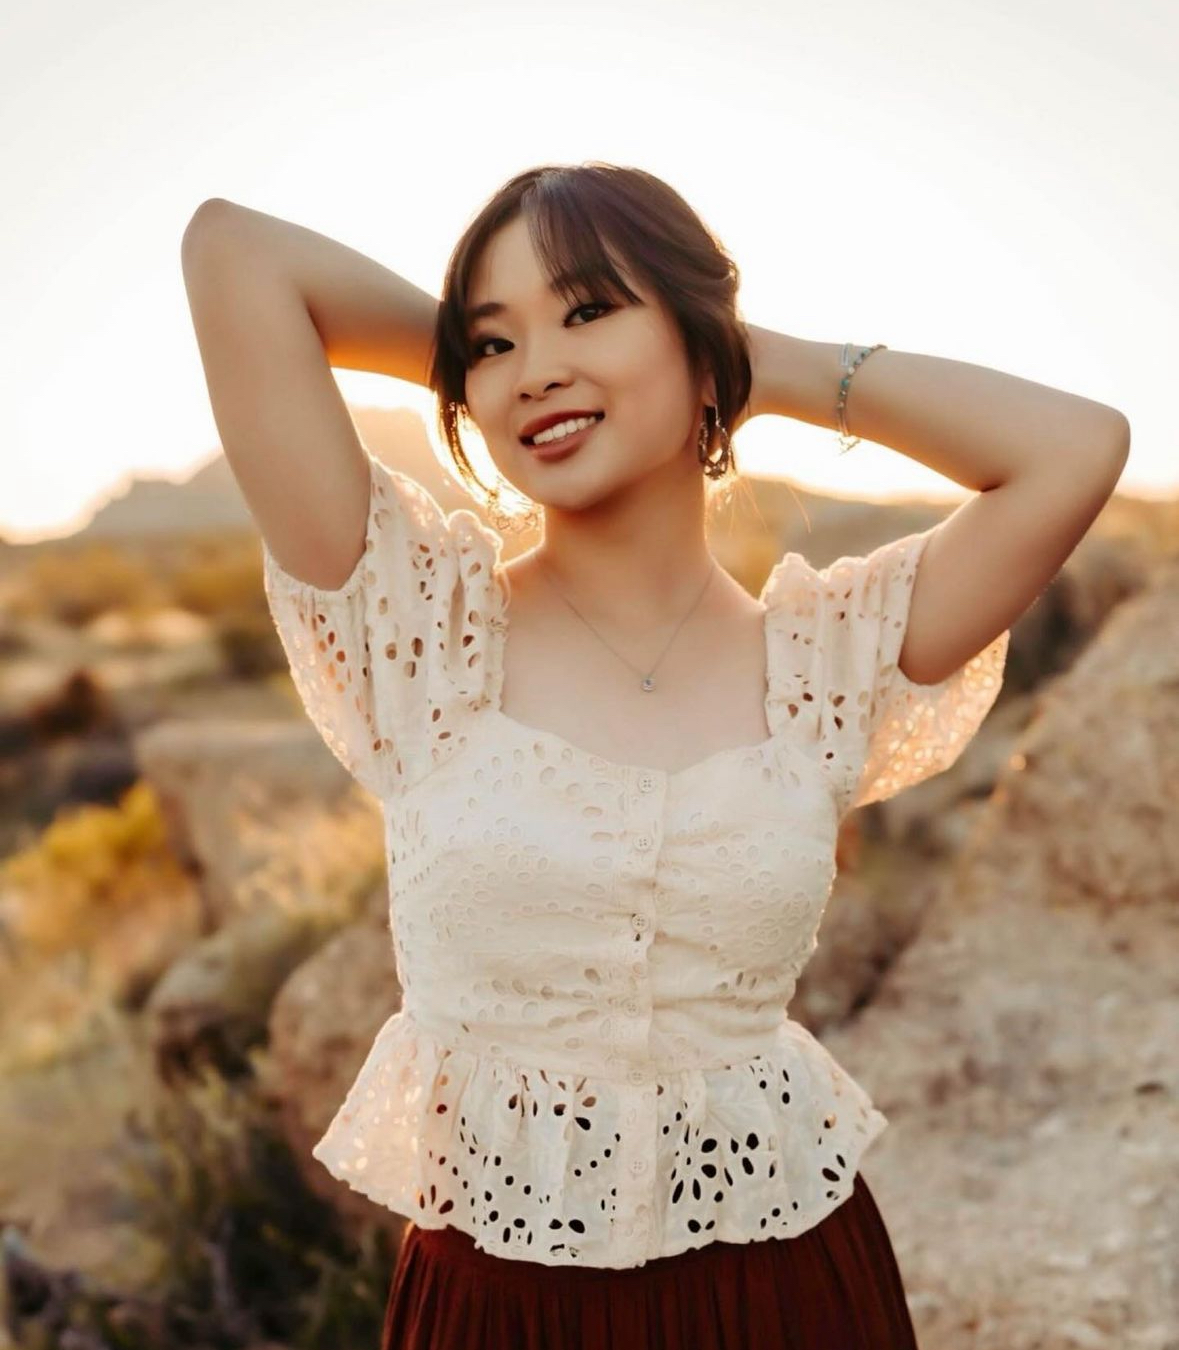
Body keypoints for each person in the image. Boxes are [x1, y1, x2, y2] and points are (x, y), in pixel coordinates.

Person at [181, 162, 1130, 1349]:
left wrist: (751, 359)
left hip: (788, 1296)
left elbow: (1077, 446)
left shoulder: (828, 661)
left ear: (696, 332)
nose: (537, 371)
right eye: (493, 344)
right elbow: (233, 252)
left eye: (589, 311)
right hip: (501, 1313)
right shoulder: (420, 631)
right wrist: (505, 355)